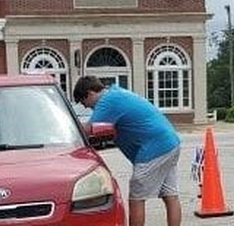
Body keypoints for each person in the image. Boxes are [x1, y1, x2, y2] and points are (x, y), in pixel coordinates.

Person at [73, 76, 182, 226]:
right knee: (170, 195)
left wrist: (67, 125)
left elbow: (88, 130)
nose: (86, 107)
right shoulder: (116, 93)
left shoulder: (107, 101)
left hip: (154, 149)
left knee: (136, 198)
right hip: (170, 143)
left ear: (90, 93)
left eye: (83, 102)